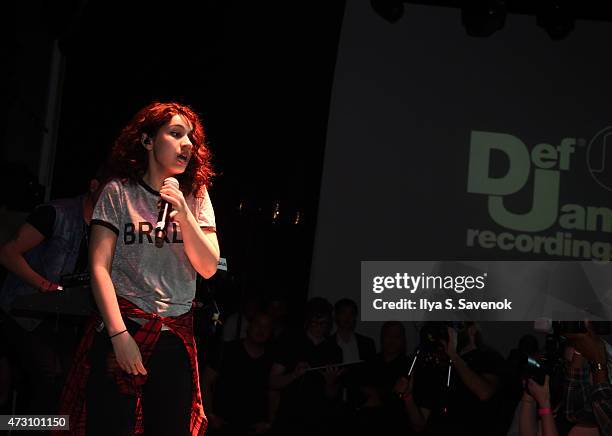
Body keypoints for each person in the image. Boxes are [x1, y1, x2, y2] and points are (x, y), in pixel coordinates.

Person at [56, 101, 220, 436]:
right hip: (124, 327)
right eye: (176, 134)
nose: (187, 144)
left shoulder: (196, 195)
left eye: (191, 138)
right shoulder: (118, 192)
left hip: (174, 335)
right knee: (111, 425)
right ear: (147, 140)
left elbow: (208, 267)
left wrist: (184, 214)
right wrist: (119, 336)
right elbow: (99, 267)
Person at [0, 174, 105, 416]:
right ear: (93, 185)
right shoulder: (57, 213)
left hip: (59, 319)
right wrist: (43, 285)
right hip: (24, 314)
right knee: (50, 379)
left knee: (70, 384)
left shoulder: (104, 229)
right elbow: (8, 253)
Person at [203, 311, 274, 435]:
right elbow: (205, 381)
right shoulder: (227, 351)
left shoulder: (271, 359)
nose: (261, 330)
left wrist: (269, 423)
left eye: (266, 327)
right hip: (223, 426)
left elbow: (273, 391)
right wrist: (210, 414)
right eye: (258, 324)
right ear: (249, 326)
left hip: (255, 428)